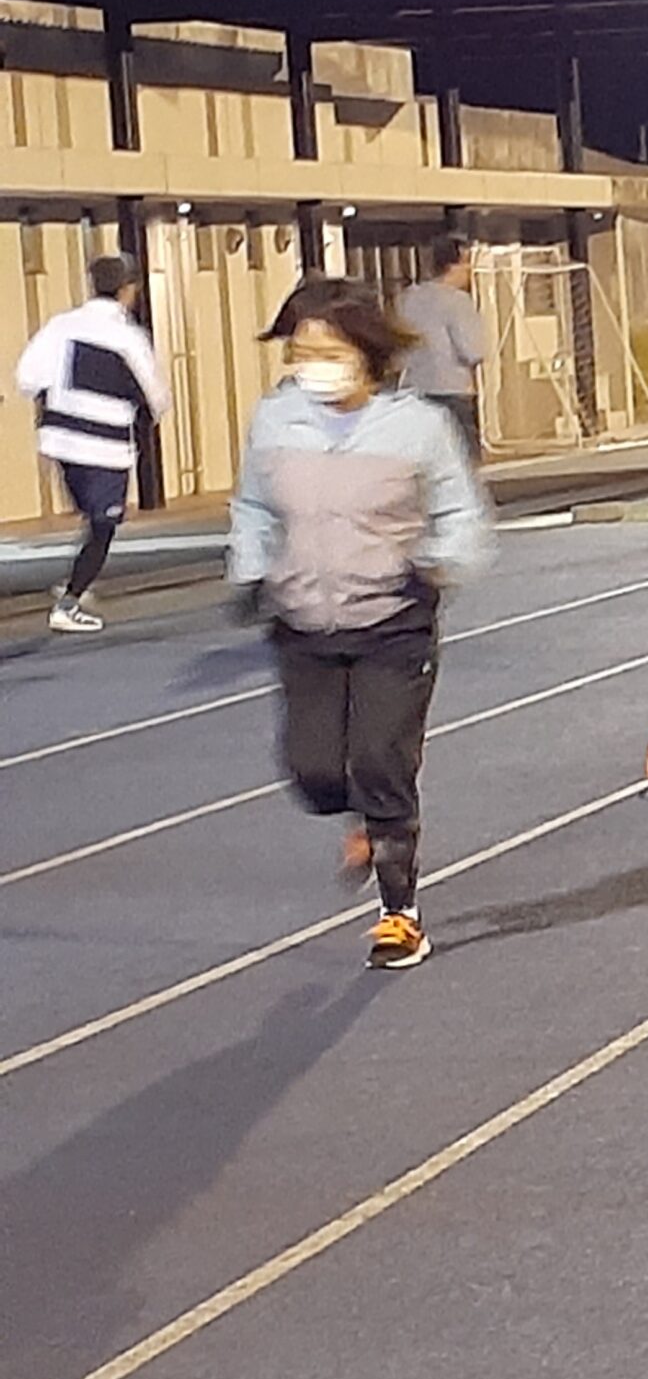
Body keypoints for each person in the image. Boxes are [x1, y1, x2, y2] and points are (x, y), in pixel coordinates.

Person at [228, 277, 493, 970]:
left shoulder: (417, 428)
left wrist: (436, 565)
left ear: (367, 353)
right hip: (304, 622)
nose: (311, 366)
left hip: (391, 621)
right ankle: (366, 819)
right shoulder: (275, 421)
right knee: (314, 772)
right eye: (300, 352)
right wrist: (250, 569)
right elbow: (253, 505)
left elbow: (459, 511)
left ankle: (400, 914)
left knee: (381, 759)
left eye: (328, 352)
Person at [13, 253, 172, 633]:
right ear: (128, 289)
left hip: (61, 440)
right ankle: (69, 601)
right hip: (107, 446)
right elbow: (157, 397)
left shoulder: (61, 325)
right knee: (104, 524)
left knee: (93, 518)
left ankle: (77, 579)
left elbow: (27, 377)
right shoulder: (128, 336)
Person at [395, 235, 492, 461]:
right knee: (463, 458)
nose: (471, 271)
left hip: (413, 388)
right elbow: (472, 350)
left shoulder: (407, 298)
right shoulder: (458, 300)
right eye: (467, 263)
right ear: (454, 265)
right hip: (451, 388)